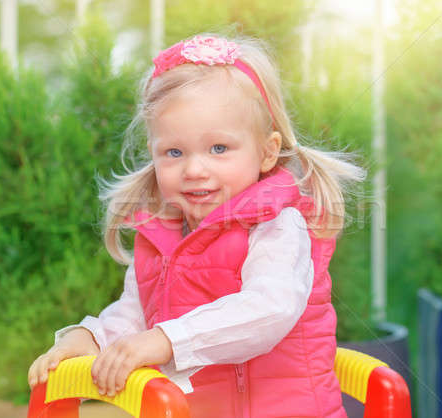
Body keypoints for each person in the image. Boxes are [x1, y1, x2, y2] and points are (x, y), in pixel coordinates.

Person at [28, 33, 365, 417]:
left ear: (267, 152)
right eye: (174, 152)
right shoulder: (162, 235)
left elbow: (270, 308)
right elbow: (135, 313)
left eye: (218, 149)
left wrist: (167, 340)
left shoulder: (277, 224)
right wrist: (92, 337)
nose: (194, 169)